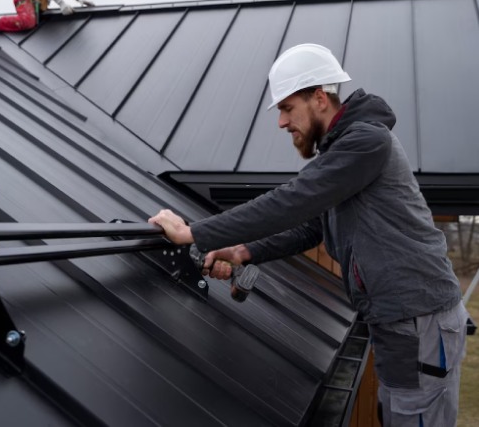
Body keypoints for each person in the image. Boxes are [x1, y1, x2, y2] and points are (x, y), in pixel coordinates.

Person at [149, 43, 469, 427]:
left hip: (420, 320)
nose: (282, 122)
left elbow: (294, 200)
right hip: (401, 320)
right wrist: (243, 251)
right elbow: (311, 226)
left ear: (319, 98)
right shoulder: (344, 152)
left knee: (413, 416)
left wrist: (192, 233)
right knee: (397, 413)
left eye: (286, 108)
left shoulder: (367, 142)